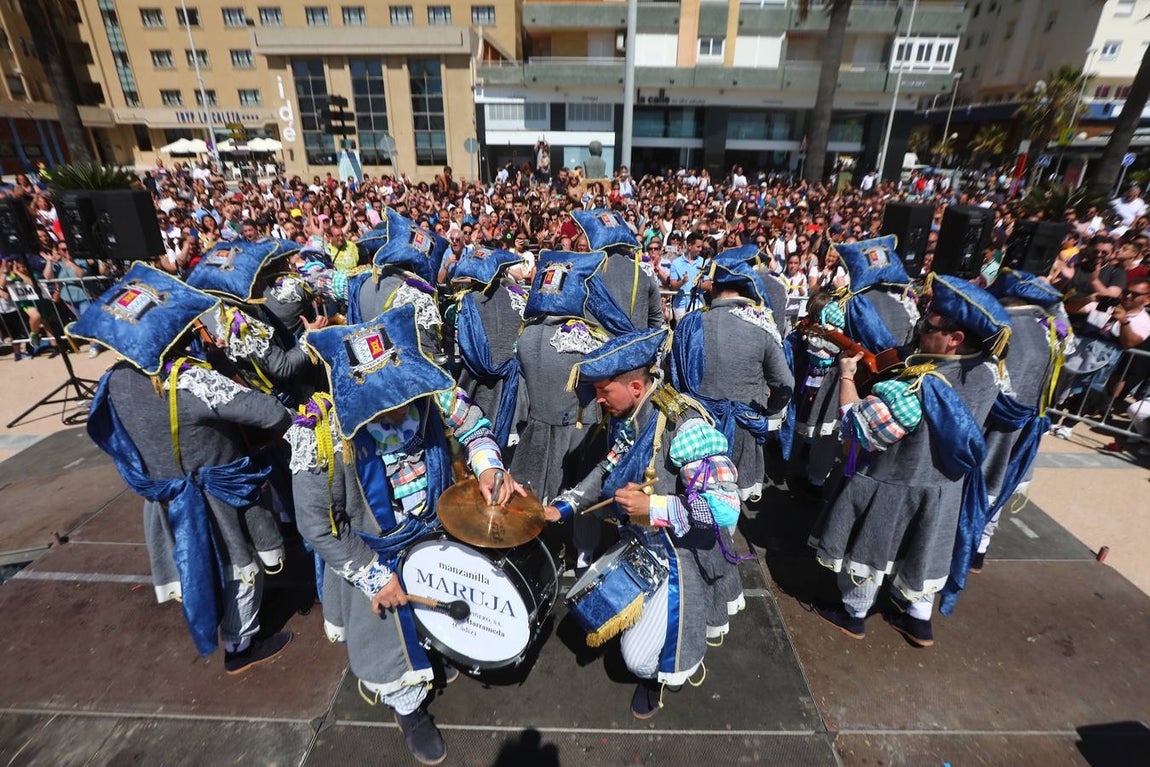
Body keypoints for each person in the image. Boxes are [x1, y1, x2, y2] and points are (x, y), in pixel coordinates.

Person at [290, 305, 523, 765]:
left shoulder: (428, 392)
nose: (399, 408)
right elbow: (316, 524)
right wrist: (375, 577)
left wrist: (487, 465)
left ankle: (435, 651)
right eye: (385, 402)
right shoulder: (319, 434)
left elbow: (473, 424)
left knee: (440, 609)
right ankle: (409, 710)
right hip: (372, 553)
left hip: (433, 536)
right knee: (389, 644)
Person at [71, 264, 294, 670]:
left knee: (201, 563)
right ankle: (241, 645)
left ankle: (229, 623)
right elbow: (270, 413)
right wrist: (223, 372)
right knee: (239, 564)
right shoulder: (189, 382)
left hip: (167, 494)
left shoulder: (113, 381)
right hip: (217, 495)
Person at [541, 327, 739, 718]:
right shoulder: (632, 415)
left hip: (681, 557)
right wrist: (562, 508)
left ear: (635, 386)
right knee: (592, 611)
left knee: (636, 659)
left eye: (603, 391)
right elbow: (607, 466)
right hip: (643, 544)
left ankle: (663, 673)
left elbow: (724, 508)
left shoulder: (684, 424)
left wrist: (653, 506)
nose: (598, 400)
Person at [809, 274, 1011, 647]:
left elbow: (856, 427)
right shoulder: (990, 372)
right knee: (923, 552)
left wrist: (848, 376)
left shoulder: (917, 387)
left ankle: (853, 615)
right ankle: (919, 620)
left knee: (868, 553)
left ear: (956, 338)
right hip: (943, 488)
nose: (919, 330)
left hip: (893, 484)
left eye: (928, 327)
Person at [974, 270, 1073, 571]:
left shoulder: (1005, 327)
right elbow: (1063, 383)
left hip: (996, 422)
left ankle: (964, 547)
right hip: (1028, 424)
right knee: (1001, 484)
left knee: (980, 483)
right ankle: (979, 549)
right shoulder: (1052, 331)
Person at [451, 246, 529, 450]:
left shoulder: (465, 302)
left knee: (477, 442)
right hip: (513, 384)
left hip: (476, 383)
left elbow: (458, 354)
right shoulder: (520, 298)